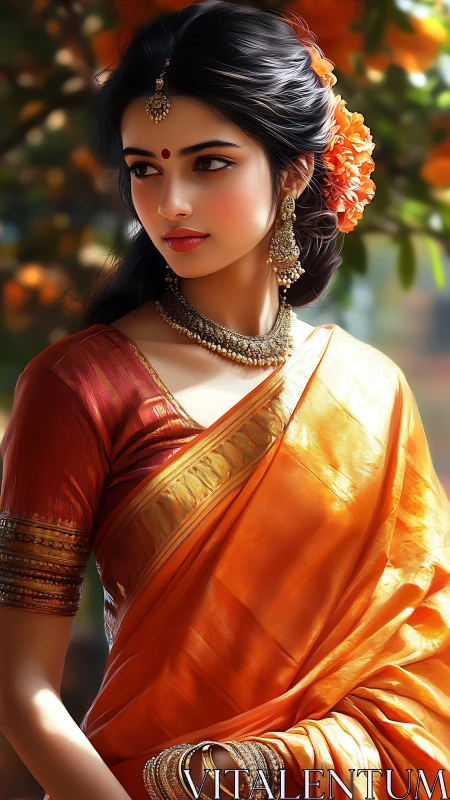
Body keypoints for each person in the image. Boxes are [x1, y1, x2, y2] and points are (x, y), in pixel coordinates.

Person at [0, 2, 449, 799]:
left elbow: (423, 660)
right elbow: (22, 695)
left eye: (209, 163)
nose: (170, 202)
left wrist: (291, 765)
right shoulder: (77, 386)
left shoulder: (372, 391)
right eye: (145, 167)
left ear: (295, 170)